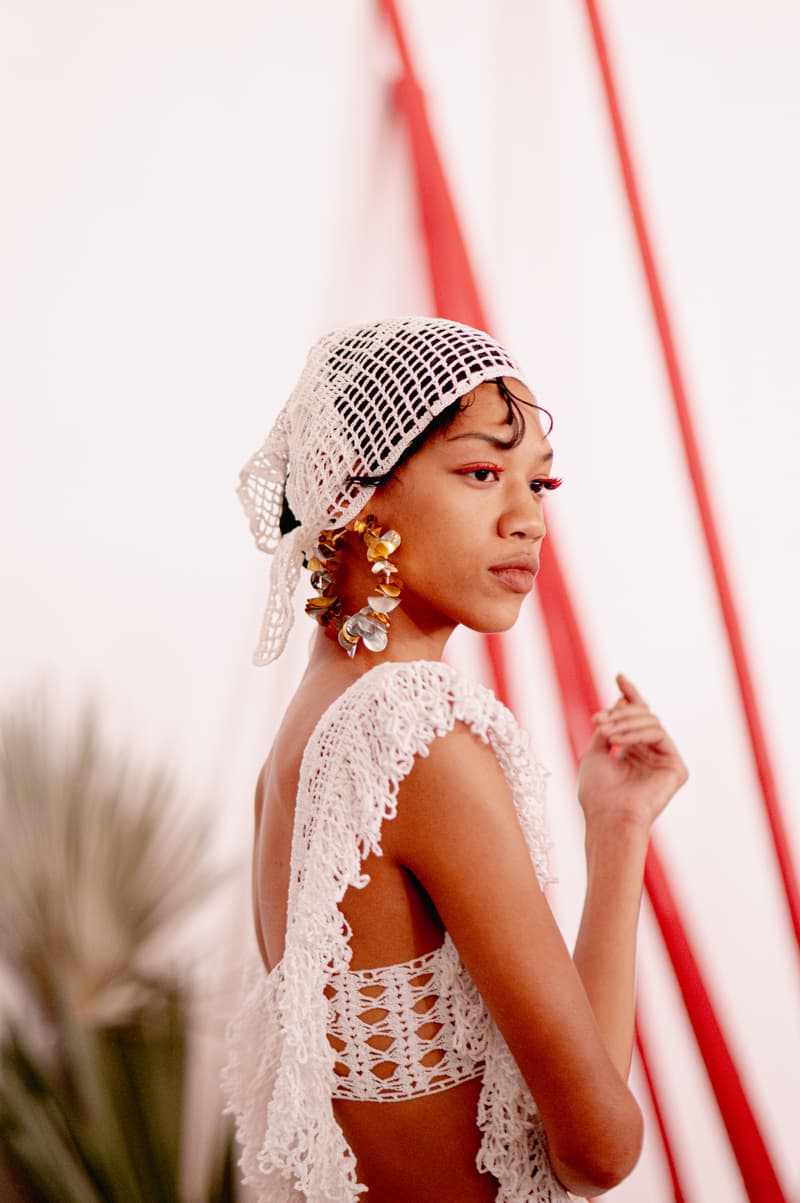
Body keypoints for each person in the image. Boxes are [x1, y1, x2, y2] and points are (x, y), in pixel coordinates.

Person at [223, 317, 688, 1202]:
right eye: (482, 472)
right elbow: (596, 1150)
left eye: (539, 480)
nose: (529, 519)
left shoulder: (310, 736)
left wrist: (618, 822)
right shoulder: (418, 738)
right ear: (357, 495)